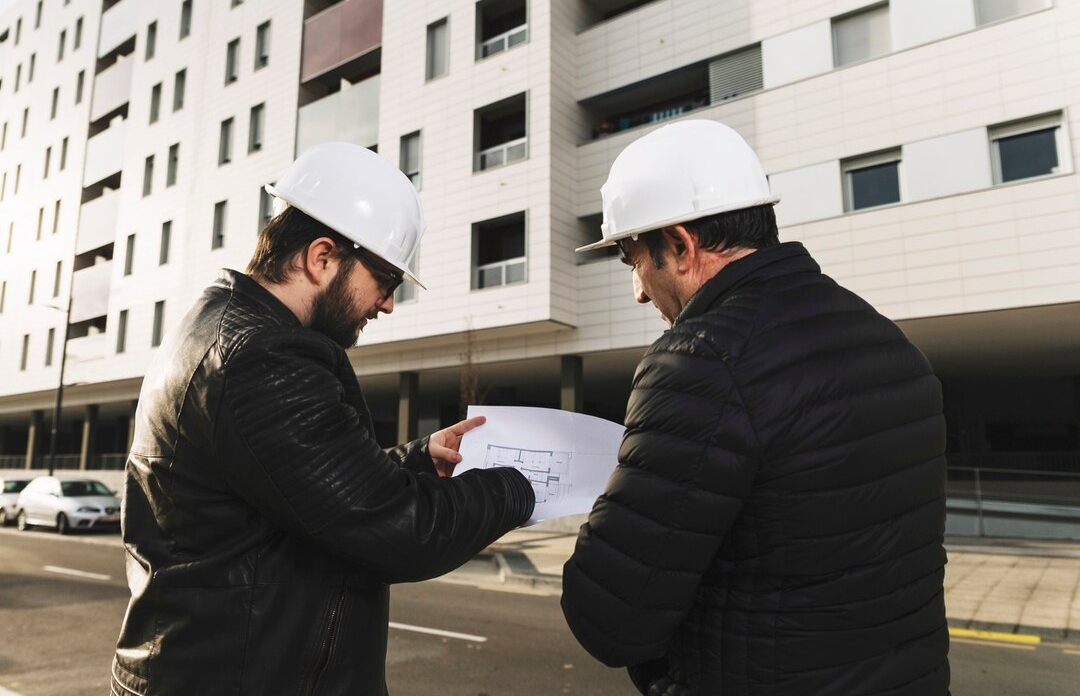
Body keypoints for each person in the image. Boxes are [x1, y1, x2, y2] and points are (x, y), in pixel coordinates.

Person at [110, 142, 535, 696]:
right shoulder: (265, 359)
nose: (386, 304)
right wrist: (519, 486)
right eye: (386, 280)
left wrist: (415, 459)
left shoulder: (219, 327)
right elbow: (400, 530)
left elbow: (291, 487)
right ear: (322, 257)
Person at [561, 119, 950, 696]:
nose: (639, 290)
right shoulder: (893, 345)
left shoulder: (701, 360)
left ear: (681, 245)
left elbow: (611, 619)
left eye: (632, 260)